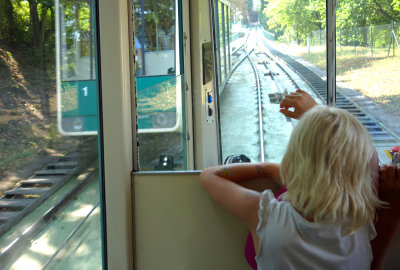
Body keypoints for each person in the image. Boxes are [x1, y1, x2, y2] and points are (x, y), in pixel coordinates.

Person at [200, 103, 383, 269]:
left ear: (289, 162)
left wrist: (266, 167)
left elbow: (209, 175)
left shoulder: (263, 214)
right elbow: (371, 156)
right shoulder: (361, 218)